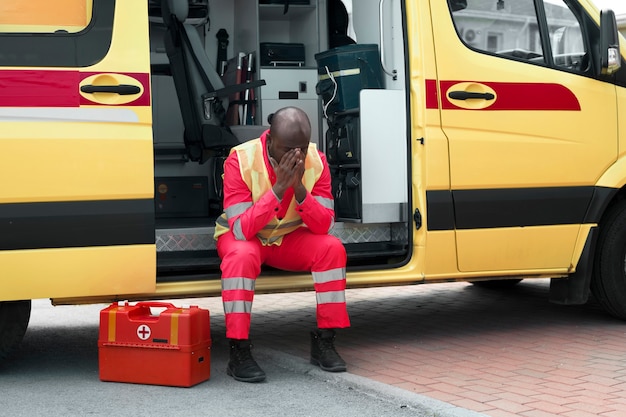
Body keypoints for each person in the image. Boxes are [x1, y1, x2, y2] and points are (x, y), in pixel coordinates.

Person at [214, 106, 351, 383]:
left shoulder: (317, 160)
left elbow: (324, 225)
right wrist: (278, 189)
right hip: (246, 237)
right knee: (240, 255)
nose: (297, 155)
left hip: (288, 238)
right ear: (270, 140)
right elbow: (240, 229)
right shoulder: (240, 159)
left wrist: (298, 188)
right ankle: (238, 349)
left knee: (332, 248)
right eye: (288, 148)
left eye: (301, 147)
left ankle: (325, 340)